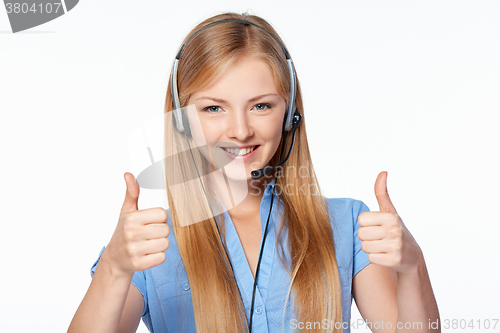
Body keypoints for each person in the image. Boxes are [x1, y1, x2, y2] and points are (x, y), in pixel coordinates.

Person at [68, 12, 440, 333]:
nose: (240, 130)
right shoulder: (150, 246)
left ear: (290, 113)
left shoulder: (348, 225)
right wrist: (115, 269)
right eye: (214, 108)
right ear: (181, 121)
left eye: (261, 105)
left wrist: (412, 265)